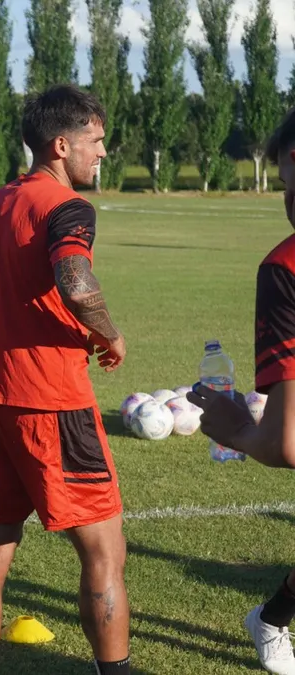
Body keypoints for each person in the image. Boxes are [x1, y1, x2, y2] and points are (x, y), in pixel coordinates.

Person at [0, 84, 130, 675]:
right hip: (51, 402)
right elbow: (74, 275)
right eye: (96, 141)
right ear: (62, 144)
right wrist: (108, 333)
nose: (103, 152)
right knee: (105, 552)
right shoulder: (66, 207)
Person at [190, 106, 295, 675]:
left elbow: (285, 446)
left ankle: (272, 619)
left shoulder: (285, 268)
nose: (289, 204)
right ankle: (274, 620)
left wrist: (239, 431)